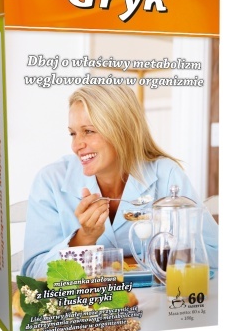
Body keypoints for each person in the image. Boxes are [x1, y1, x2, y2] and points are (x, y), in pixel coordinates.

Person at [21, 84, 218, 278]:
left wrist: (129, 263)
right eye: (73, 133)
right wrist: (83, 238)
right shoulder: (50, 181)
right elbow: (33, 273)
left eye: (88, 131)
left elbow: (215, 253)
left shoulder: (166, 174)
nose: (76, 145)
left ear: (122, 130)